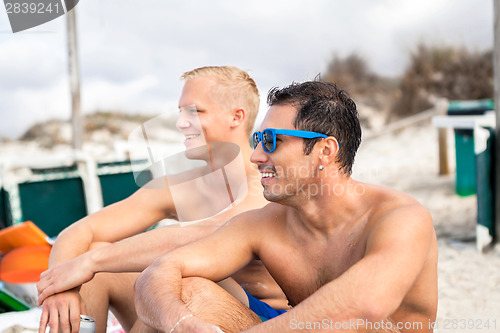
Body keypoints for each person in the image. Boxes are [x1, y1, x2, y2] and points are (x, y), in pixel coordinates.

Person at [134, 80, 438, 333]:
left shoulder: (401, 219)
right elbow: (161, 270)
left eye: (271, 140)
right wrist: (179, 323)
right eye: (256, 140)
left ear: (325, 150)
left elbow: (364, 305)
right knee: (182, 297)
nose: (255, 156)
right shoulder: (266, 223)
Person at [36, 66, 290, 333]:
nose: (181, 122)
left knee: (182, 278)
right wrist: (60, 287)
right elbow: (79, 231)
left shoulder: (267, 186)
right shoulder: (179, 186)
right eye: (181, 112)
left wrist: (87, 264)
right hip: (186, 310)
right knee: (94, 260)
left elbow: (199, 240)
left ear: (236, 116)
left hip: (263, 319)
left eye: (195, 111)